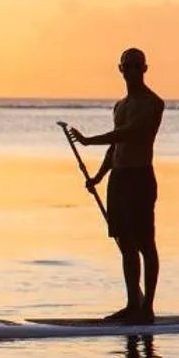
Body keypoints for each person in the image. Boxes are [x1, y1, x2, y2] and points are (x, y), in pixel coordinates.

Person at [69, 48, 166, 323]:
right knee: (126, 245)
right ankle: (133, 304)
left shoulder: (153, 103)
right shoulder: (119, 106)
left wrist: (88, 141)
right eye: (128, 65)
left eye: (137, 65)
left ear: (145, 68)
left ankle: (147, 308)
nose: (132, 70)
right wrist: (99, 177)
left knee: (145, 243)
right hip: (119, 180)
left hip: (140, 178)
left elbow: (129, 133)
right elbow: (115, 148)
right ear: (120, 69)